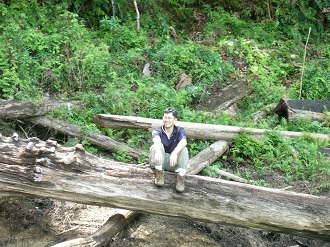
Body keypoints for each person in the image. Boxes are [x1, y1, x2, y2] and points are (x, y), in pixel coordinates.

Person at [149, 108, 189, 192]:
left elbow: (183, 141)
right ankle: (159, 174)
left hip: (172, 163)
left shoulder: (180, 130)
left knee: (184, 149)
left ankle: (181, 177)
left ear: (175, 120)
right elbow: (156, 140)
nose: (166, 120)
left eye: (169, 118)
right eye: (165, 117)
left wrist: (174, 153)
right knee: (157, 146)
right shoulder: (157, 131)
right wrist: (158, 151)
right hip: (159, 161)